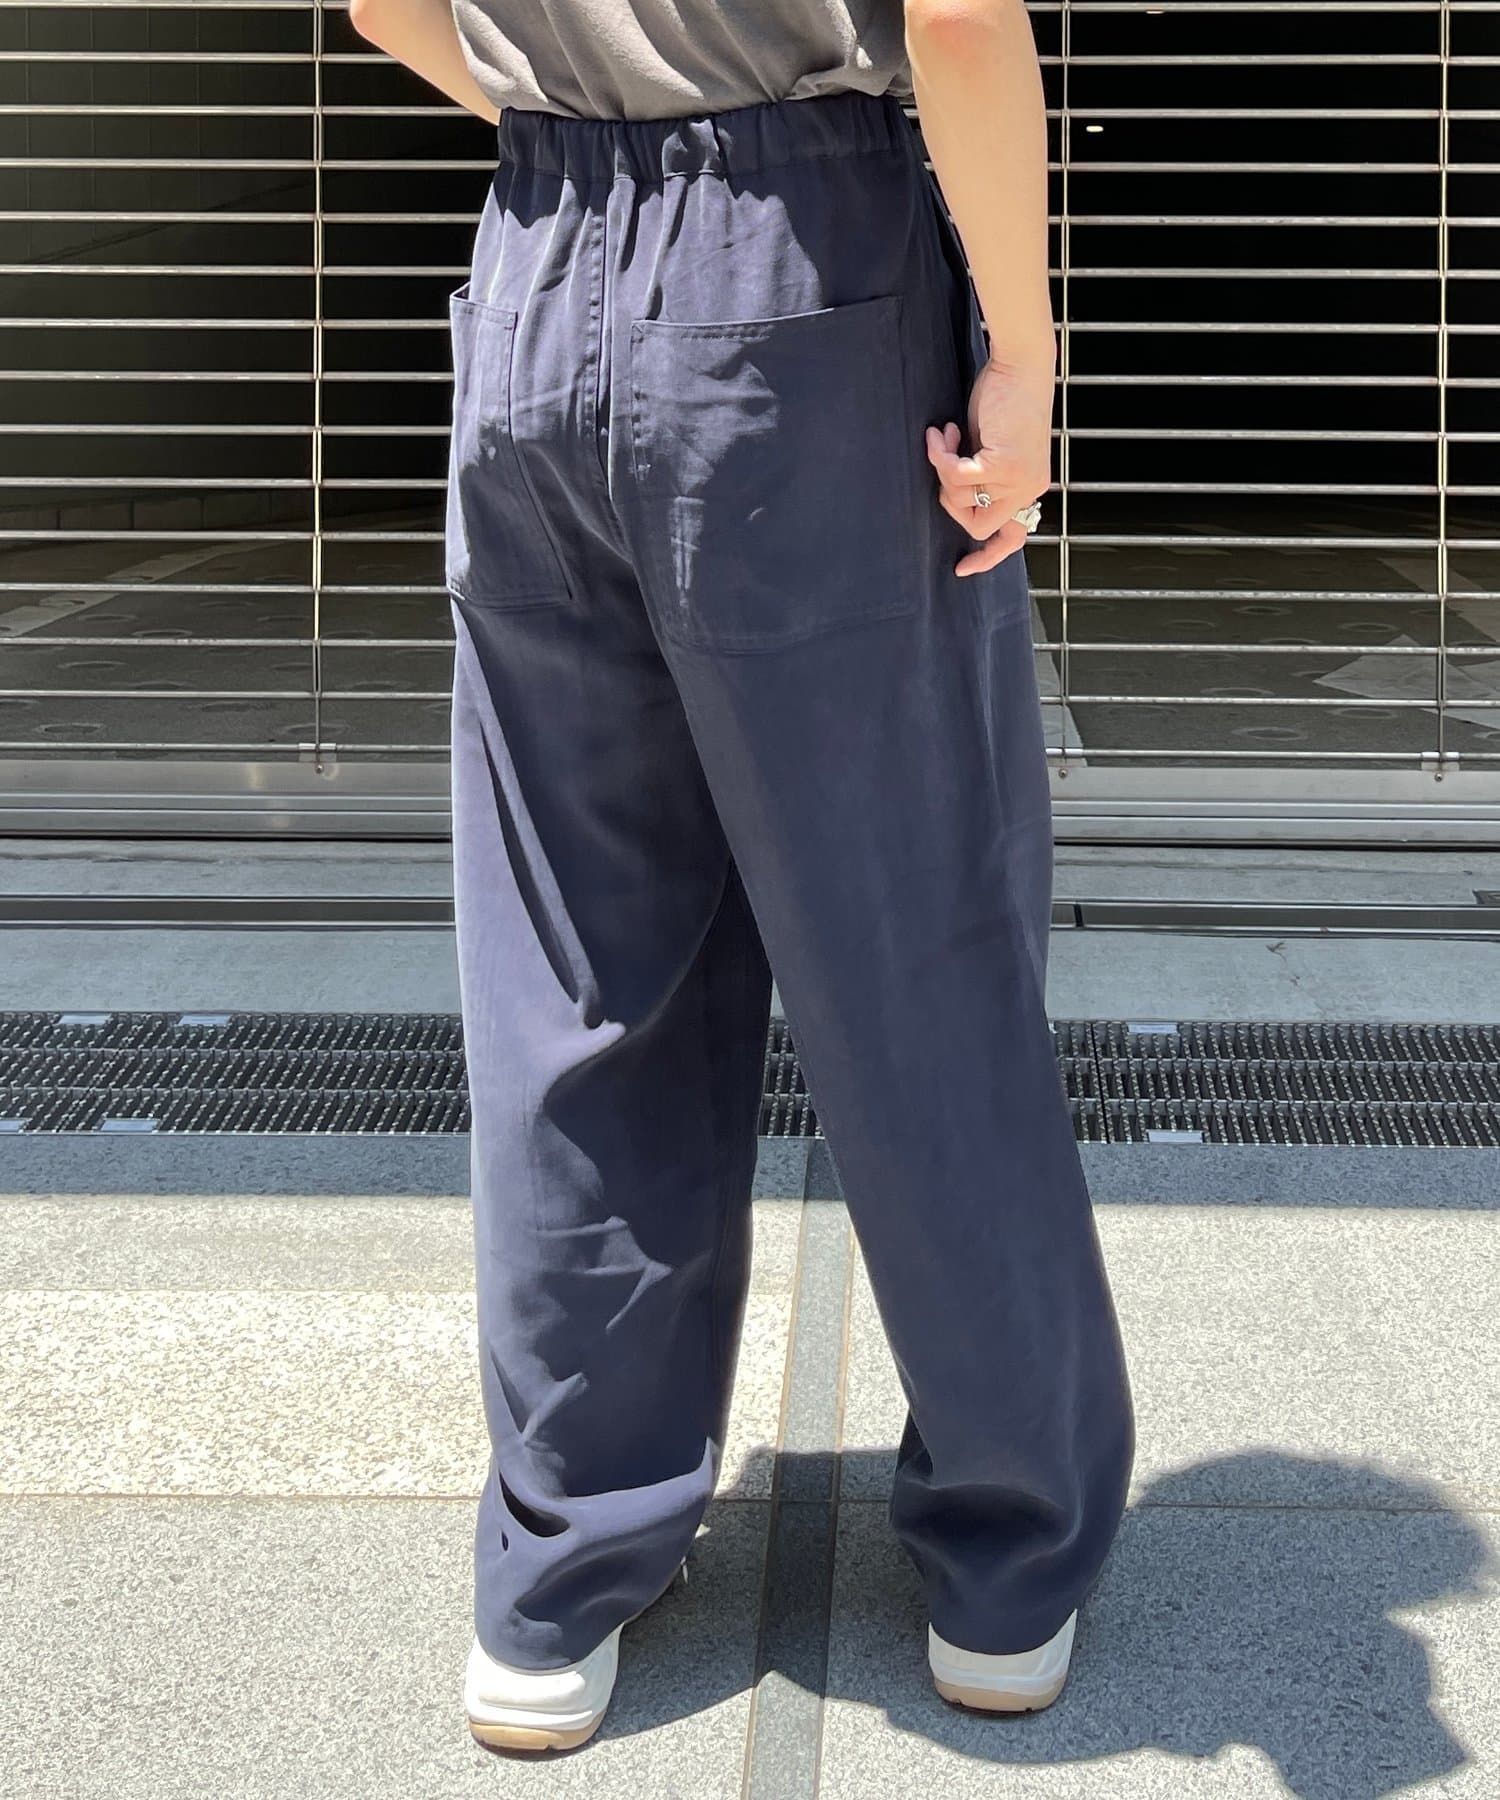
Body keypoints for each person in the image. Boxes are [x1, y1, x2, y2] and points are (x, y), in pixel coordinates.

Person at [349, 0, 1135, 1753]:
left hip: (535, 266)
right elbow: (958, 16)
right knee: (911, 941)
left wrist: (578, 135)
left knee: (578, 966)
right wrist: (1023, 352)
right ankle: (1006, 1566)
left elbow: (384, 5)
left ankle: (559, 1579)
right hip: (801, 274)